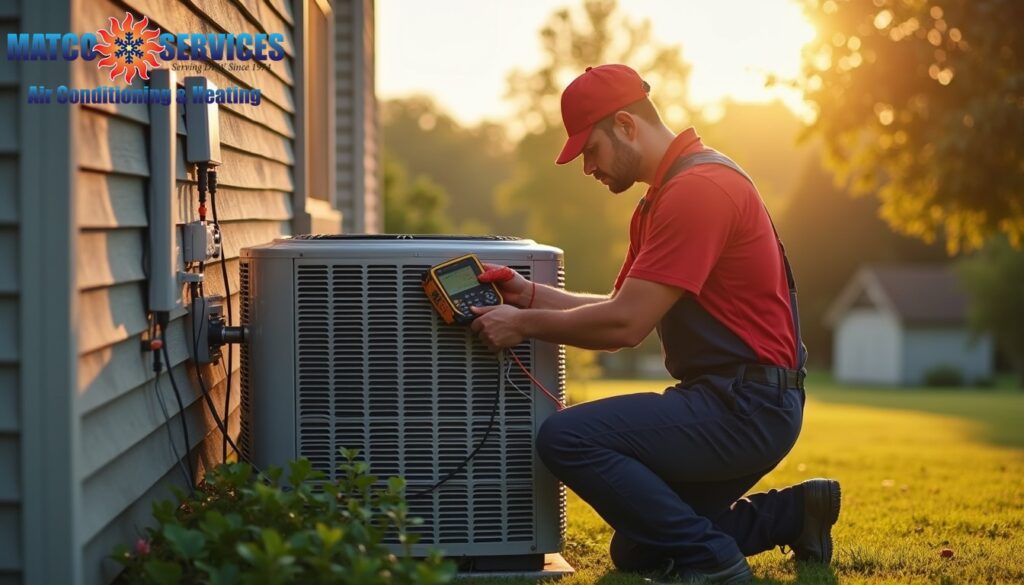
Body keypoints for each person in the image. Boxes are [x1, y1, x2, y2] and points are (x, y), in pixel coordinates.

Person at [469, 64, 841, 583]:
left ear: (625, 125)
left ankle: (714, 563)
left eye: (590, 150)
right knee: (640, 547)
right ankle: (796, 514)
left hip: (747, 405)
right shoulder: (662, 197)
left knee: (566, 438)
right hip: (736, 399)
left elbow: (625, 328)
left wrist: (523, 325)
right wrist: (527, 295)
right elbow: (621, 304)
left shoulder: (699, 191)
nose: (587, 168)